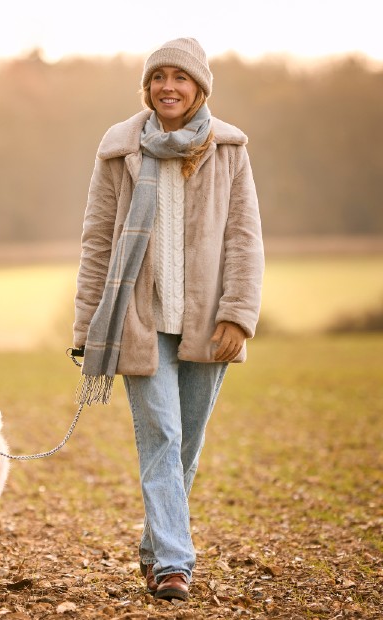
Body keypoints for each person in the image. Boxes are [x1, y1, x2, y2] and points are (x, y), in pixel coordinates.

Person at [72, 37, 264, 602]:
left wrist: (238, 315)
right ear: (147, 88)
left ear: (199, 87)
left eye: (180, 78)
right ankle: (176, 565)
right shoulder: (118, 151)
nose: (168, 87)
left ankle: (156, 551)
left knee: (186, 446)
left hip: (209, 320)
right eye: (159, 78)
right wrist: (88, 326)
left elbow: (244, 240)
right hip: (139, 320)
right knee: (162, 436)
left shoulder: (229, 149)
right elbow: (97, 244)